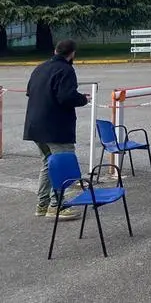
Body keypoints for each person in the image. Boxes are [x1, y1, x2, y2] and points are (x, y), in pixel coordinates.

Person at [23, 39, 91, 220]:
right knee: (61, 163)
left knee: (47, 163)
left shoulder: (40, 68)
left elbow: (30, 91)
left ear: (55, 51)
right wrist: (83, 99)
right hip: (56, 127)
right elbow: (66, 97)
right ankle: (57, 206)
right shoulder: (66, 70)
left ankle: (42, 204)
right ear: (72, 54)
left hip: (35, 125)